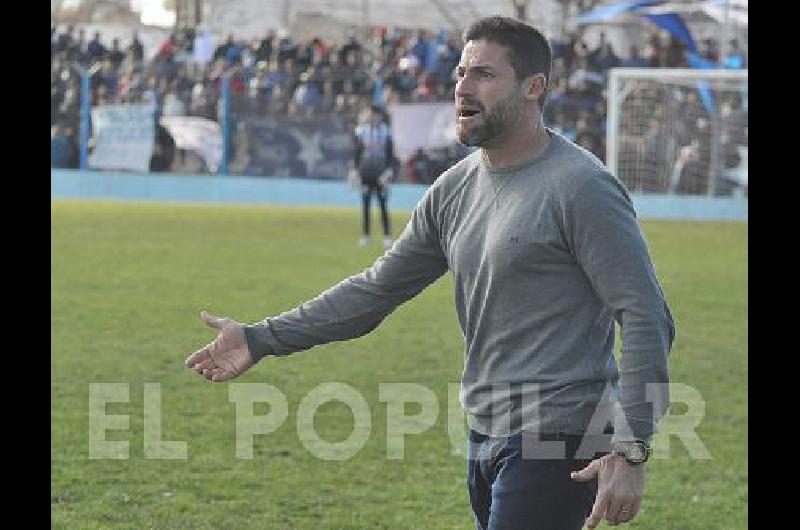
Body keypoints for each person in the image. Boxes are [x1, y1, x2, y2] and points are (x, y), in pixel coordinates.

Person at [185, 16, 674, 530]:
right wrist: (262, 338)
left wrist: (631, 446)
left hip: (561, 438)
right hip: (486, 433)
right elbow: (376, 290)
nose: (462, 87)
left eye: (483, 74)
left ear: (534, 88)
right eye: (461, 73)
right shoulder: (454, 188)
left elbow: (646, 315)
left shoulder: (581, 187)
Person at [348, 105, 396, 249]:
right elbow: (357, 152)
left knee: (382, 204)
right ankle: (366, 235)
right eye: (370, 115)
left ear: (379, 117)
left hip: (381, 172)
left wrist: (389, 170)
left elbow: (390, 153)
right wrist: (355, 170)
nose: (372, 118)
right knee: (366, 204)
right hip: (366, 172)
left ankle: (387, 236)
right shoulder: (362, 131)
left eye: (375, 115)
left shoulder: (386, 132)